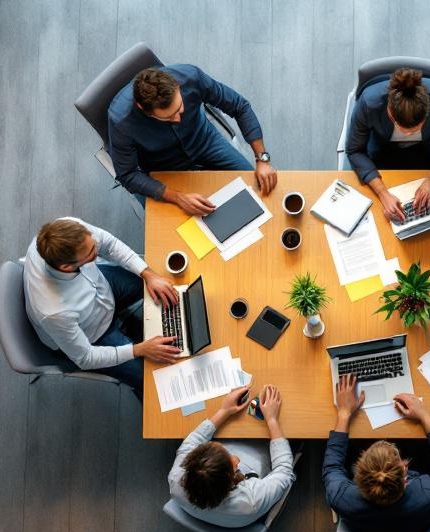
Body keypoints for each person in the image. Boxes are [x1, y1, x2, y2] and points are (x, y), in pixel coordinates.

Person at [23, 217, 181, 397]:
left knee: (163, 285)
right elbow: (85, 358)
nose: (98, 251)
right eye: (92, 253)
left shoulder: (67, 230)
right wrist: (139, 349)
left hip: (102, 287)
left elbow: (110, 245)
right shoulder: (54, 312)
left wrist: (149, 275)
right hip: (93, 336)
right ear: (67, 267)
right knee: (155, 380)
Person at [108, 65, 278, 215]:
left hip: (204, 141)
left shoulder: (191, 77)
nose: (177, 119)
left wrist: (262, 158)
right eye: (168, 117)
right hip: (161, 166)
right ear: (144, 110)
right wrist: (178, 197)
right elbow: (128, 175)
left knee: (255, 191)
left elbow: (239, 107)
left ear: (177, 86)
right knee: (173, 235)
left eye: (179, 107)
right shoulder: (120, 121)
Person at [322, 373, 430, 532]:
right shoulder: (429, 495)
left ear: (358, 470)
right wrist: (423, 415)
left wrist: (343, 414)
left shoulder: (341, 497)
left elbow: (332, 467)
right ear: (405, 468)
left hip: (365, 529)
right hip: (413, 525)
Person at [346, 67, 430, 223]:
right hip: (382, 148)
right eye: (404, 130)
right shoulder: (369, 103)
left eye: (415, 129)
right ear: (390, 113)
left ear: (428, 112)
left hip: (428, 146)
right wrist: (383, 193)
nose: (408, 135)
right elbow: (354, 150)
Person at [168, 385, 297, 528]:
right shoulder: (251, 500)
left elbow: (193, 441)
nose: (237, 459)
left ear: (189, 460)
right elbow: (285, 471)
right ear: (231, 481)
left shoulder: (176, 479)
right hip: (244, 508)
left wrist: (224, 411)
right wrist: (272, 420)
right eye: (233, 464)